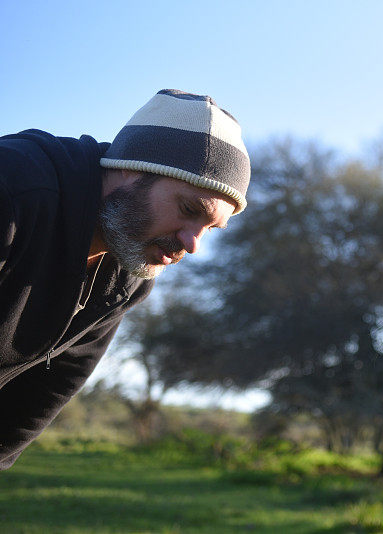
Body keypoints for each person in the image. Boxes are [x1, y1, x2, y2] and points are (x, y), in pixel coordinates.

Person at [0, 89, 250, 468]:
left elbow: (47, 390)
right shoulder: (15, 191)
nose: (192, 244)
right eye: (188, 209)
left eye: (211, 228)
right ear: (130, 166)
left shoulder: (128, 275)